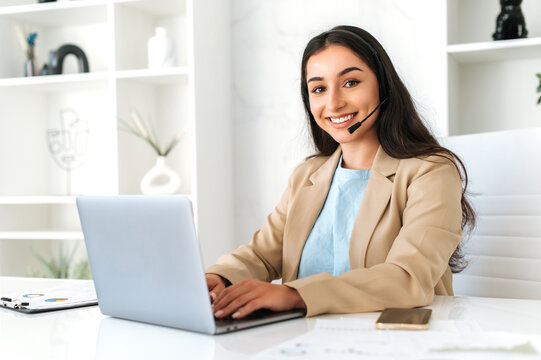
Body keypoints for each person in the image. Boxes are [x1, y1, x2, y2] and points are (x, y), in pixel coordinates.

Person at [206, 25, 475, 319]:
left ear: (382, 86)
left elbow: (409, 277)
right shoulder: (307, 175)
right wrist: (218, 278)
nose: (333, 103)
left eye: (350, 82)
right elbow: (261, 253)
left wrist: (295, 295)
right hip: (307, 339)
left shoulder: (431, 171)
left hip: (397, 338)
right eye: (319, 89)